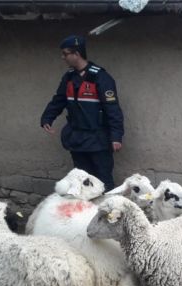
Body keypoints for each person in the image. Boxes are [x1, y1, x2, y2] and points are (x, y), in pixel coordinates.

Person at [41, 35, 124, 190]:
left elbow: (112, 109)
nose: (63, 57)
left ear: (76, 54)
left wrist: (116, 136)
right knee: (82, 183)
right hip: (77, 139)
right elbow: (59, 99)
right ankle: (87, 213)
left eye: (65, 54)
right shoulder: (69, 77)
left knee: (103, 181)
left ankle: (109, 214)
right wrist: (47, 117)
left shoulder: (101, 77)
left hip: (98, 140)